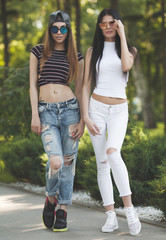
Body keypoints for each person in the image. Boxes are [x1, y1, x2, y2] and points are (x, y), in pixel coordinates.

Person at [82, 8, 141, 236]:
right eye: (103, 23)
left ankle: (130, 211)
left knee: (113, 153)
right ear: (99, 26)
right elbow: (86, 85)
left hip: (118, 110)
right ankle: (110, 216)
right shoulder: (91, 52)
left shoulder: (129, 50)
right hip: (96, 108)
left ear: (118, 24)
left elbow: (126, 66)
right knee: (102, 163)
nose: (107, 27)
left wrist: (123, 35)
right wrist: (86, 116)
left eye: (112, 23)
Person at [29, 10, 84, 232]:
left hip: (71, 111)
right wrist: (35, 114)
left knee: (69, 163)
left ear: (68, 30)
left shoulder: (76, 57)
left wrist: (83, 121)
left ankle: (63, 209)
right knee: (56, 161)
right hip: (46, 113)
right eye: (55, 28)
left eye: (63, 28)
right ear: (49, 30)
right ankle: (50, 198)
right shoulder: (38, 51)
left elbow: (80, 91)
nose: (59, 32)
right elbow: (32, 85)